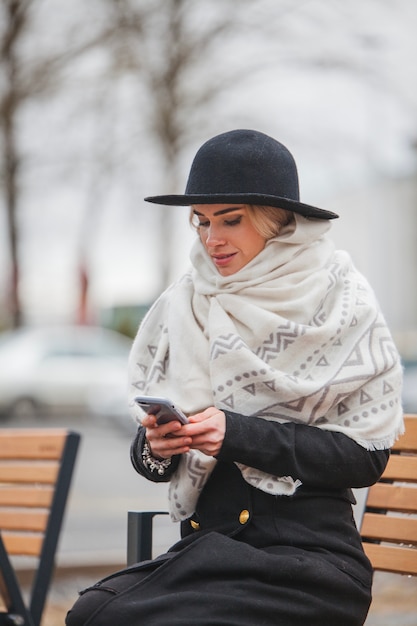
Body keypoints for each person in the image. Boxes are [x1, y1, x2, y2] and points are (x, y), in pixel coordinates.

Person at [66, 129, 404, 626]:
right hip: (207, 554)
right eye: (201, 222)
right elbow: (153, 461)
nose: (211, 238)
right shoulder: (187, 301)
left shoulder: (340, 300)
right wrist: (157, 446)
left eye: (230, 220)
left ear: (276, 222)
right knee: (91, 613)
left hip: (307, 563)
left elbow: (365, 458)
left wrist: (237, 433)